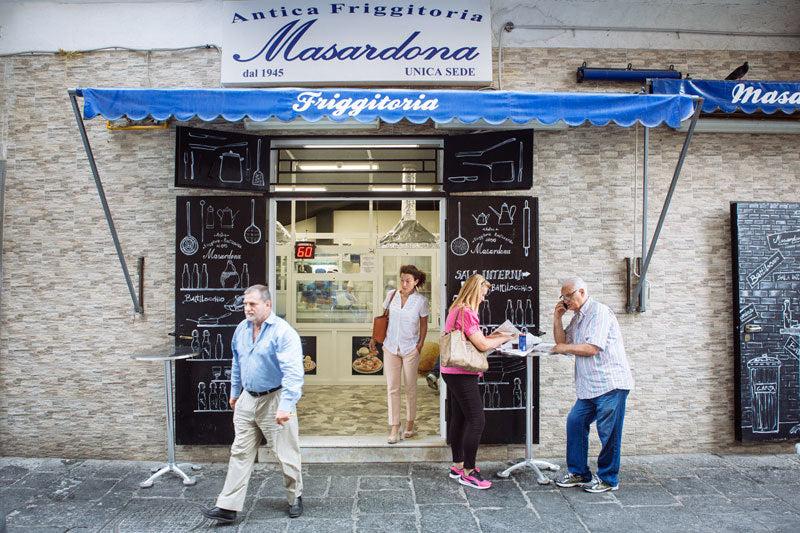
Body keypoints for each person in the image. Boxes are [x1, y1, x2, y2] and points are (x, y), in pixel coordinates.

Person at [201, 284, 305, 524]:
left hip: (276, 399)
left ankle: (295, 497)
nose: (246, 308)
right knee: (240, 451)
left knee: (285, 454)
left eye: (252, 304)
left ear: (267, 305)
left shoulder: (283, 332)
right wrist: (235, 391)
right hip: (248, 399)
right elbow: (237, 361)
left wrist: (286, 406)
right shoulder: (241, 329)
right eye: (245, 304)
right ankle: (228, 507)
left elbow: (293, 373)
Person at [550, 276, 634, 494]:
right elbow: (562, 342)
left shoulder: (599, 312)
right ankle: (579, 473)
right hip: (589, 387)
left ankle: (608, 479)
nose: (566, 300)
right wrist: (557, 317)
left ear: (582, 292)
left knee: (608, 432)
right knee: (575, 422)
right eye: (563, 297)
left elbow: (591, 348)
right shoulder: (577, 317)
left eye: (568, 295)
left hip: (610, 383)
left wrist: (562, 349)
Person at [442, 274, 512, 490]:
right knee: (477, 420)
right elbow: (481, 345)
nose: (483, 299)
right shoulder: (466, 312)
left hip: (451, 370)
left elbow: (476, 340)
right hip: (462, 372)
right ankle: (469, 472)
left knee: (460, 419)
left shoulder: (456, 309)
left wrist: (494, 337)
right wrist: (506, 337)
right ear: (474, 291)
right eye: (482, 294)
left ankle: (458, 465)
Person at [370, 265, 429, 444]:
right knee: (392, 388)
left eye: (408, 281)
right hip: (390, 346)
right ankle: (395, 426)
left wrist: (420, 345)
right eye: (402, 280)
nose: (404, 284)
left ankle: (410, 423)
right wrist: (374, 337)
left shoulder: (421, 301)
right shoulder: (392, 295)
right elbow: (383, 317)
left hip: (410, 348)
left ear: (416, 282)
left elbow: (424, 325)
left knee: (410, 388)